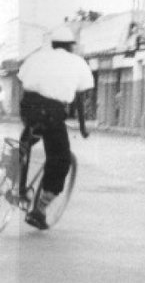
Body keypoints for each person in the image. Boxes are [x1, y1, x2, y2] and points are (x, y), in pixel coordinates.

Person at [16, 26, 93, 230]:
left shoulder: (37, 57)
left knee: (28, 138)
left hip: (28, 107)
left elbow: (22, 79)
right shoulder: (77, 62)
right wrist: (83, 128)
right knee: (61, 159)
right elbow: (79, 99)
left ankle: (19, 180)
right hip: (52, 112)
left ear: (53, 44)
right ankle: (39, 210)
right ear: (71, 46)